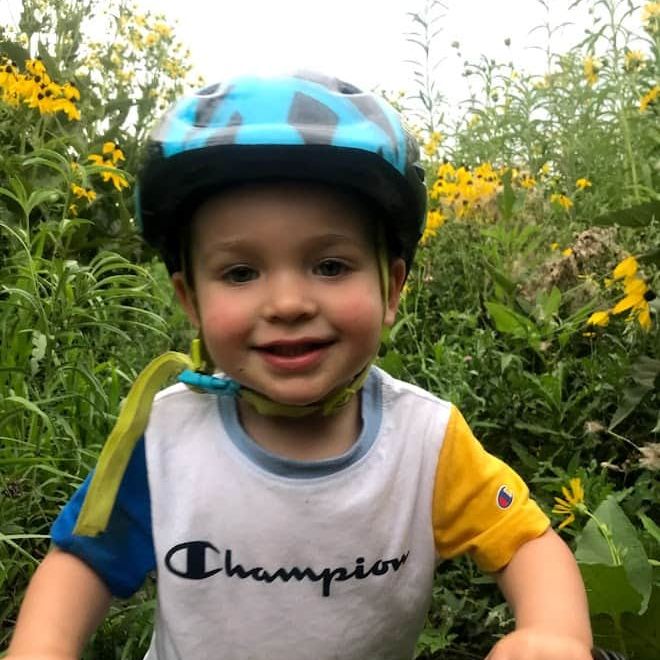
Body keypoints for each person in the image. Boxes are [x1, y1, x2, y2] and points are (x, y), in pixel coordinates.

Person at [8, 71, 592, 660]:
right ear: (192, 303)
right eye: (240, 273)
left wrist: (552, 632)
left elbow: (527, 544)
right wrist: (41, 647)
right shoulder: (165, 438)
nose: (287, 303)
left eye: (331, 266)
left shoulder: (426, 442)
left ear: (391, 289)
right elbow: (83, 562)